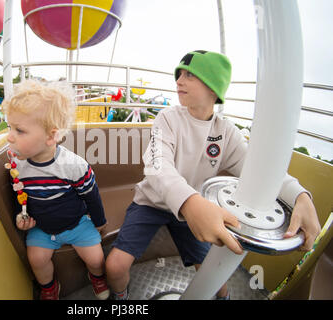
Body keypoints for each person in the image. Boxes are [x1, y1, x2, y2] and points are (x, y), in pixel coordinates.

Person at [106, 50, 321, 300]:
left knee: (216, 280)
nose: (178, 81)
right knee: (115, 267)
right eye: (178, 75)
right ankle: (121, 299)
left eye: (189, 75)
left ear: (213, 88)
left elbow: (258, 170)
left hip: (194, 210)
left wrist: (300, 196)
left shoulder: (227, 132)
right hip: (151, 204)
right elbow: (157, 165)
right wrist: (189, 202)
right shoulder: (167, 119)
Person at [1, 80, 109, 300]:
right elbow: (19, 197)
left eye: (19, 130)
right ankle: (49, 287)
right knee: (37, 260)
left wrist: (99, 221)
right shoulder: (17, 165)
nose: (9, 137)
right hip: (42, 228)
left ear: (51, 136)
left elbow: (91, 195)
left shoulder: (73, 165)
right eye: (9, 127)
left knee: (96, 258)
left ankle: (96, 277)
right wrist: (22, 217)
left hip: (77, 223)